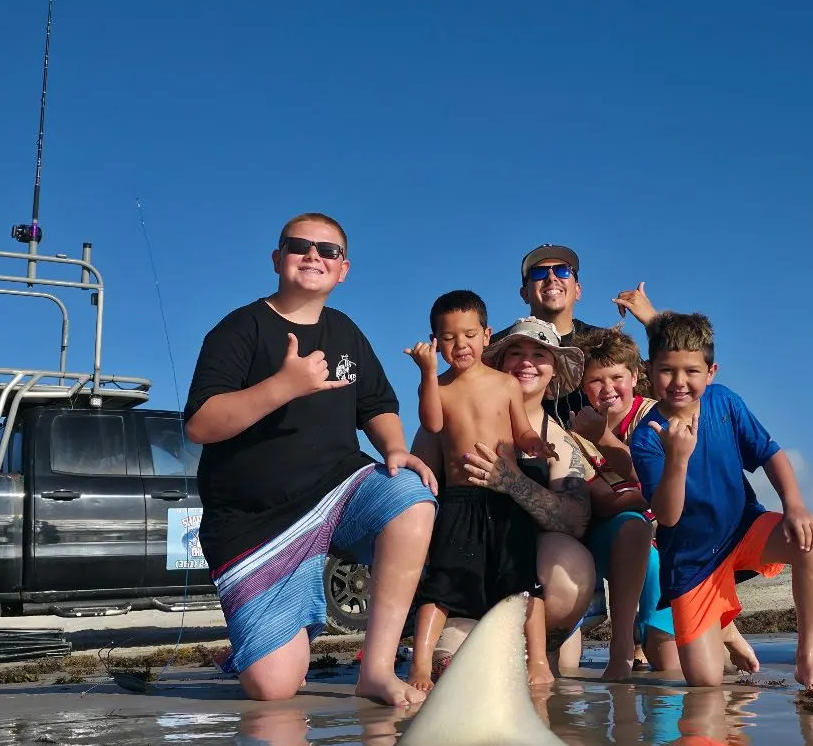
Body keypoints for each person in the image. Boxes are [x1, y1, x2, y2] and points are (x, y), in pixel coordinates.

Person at [183, 213, 437, 707]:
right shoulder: (239, 329)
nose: (314, 256)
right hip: (256, 524)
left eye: (330, 251)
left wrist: (395, 448)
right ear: (278, 259)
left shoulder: (346, 331)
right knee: (273, 688)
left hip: (337, 490)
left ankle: (378, 669)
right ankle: (285, 626)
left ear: (343, 271)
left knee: (410, 495)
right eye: (300, 246)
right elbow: (201, 424)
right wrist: (284, 386)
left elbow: (378, 405)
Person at [631, 311, 813, 694]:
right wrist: (677, 458)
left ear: (711, 372)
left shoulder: (724, 403)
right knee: (707, 682)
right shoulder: (646, 438)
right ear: (648, 370)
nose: (679, 382)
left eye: (692, 371)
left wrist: (794, 505)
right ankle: (723, 627)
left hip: (743, 529)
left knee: (811, 541)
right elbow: (668, 516)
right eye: (667, 371)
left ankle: (808, 661)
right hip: (691, 561)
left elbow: (769, 453)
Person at [414, 316, 597, 685]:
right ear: (498, 359)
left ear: (553, 372)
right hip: (462, 550)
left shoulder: (559, 439)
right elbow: (418, 492)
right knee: (456, 674)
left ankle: (535, 652)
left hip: (519, 553)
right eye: (517, 352)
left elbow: (575, 522)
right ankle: (448, 646)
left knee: (563, 564)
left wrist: (512, 482)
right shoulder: (448, 408)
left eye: (540, 354)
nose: (527, 362)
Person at [404, 290, 551, 692]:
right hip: (460, 497)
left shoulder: (505, 383)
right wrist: (427, 373)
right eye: (448, 337)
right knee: (444, 582)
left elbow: (521, 428)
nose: (460, 345)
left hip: (506, 498)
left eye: (469, 334)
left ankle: (538, 659)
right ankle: (418, 665)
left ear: (487, 335)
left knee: (522, 579)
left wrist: (533, 444)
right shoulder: (439, 386)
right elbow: (432, 424)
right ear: (435, 342)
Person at [569, 328, 673, 681]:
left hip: (665, 535)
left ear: (634, 377)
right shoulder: (576, 431)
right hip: (617, 535)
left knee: (675, 664)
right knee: (634, 526)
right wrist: (645, 494)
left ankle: (723, 636)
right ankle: (624, 646)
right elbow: (602, 501)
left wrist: (605, 438)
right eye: (596, 380)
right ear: (582, 386)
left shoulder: (653, 416)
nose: (608, 388)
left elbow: (658, 477)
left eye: (617, 377)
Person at [495, 245, 660, 425]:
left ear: (578, 290)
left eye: (563, 271)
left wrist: (654, 322)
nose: (551, 278)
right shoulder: (500, 346)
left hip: (598, 450)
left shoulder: (603, 343)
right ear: (525, 293)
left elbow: (666, 384)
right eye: (538, 273)